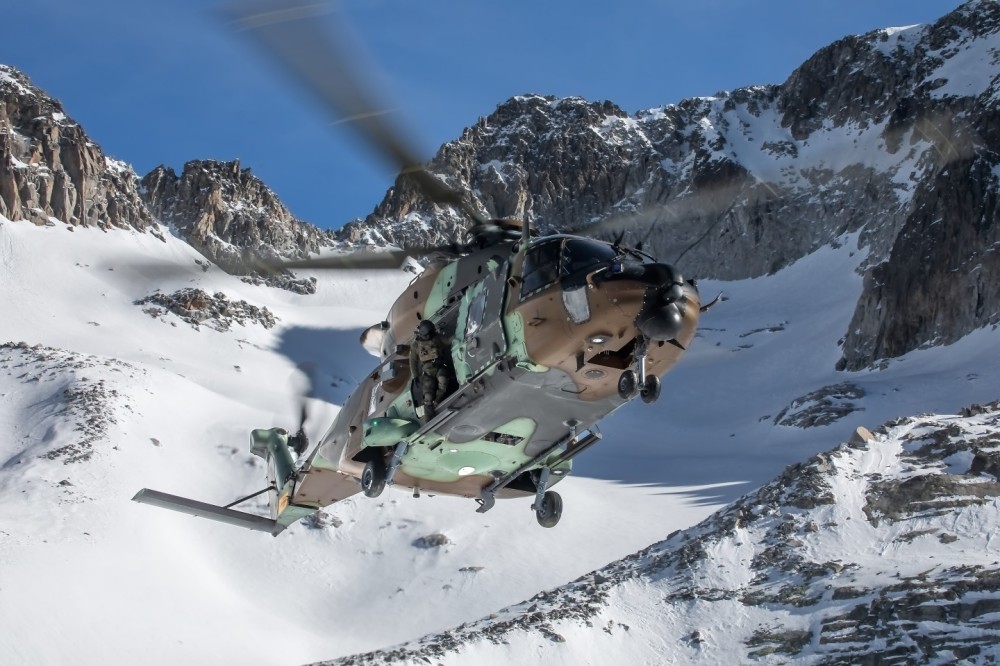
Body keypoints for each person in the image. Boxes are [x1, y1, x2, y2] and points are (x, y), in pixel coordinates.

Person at [409, 319, 451, 420]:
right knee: (427, 396)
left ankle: (437, 401)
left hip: (440, 367)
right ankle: (429, 418)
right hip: (428, 373)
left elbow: (448, 340)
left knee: (443, 380)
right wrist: (415, 376)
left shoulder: (436, 338)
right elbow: (412, 361)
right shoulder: (415, 345)